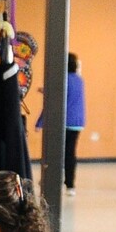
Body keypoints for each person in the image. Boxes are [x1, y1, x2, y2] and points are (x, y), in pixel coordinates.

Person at [34, 53, 85, 194]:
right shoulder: (79, 80)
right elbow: (68, 95)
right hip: (77, 123)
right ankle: (70, 185)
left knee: (54, 153)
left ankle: (49, 180)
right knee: (70, 153)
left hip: (63, 122)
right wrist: (46, 90)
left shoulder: (62, 80)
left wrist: (40, 122)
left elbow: (53, 102)